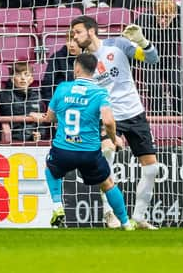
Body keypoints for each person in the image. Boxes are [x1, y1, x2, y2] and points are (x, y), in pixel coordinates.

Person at [71, 15, 160, 229]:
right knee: (107, 151)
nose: (74, 37)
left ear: (91, 31)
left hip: (135, 113)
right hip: (108, 115)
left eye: (77, 32)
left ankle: (139, 217)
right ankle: (109, 213)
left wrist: (143, 42)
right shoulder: (83, 63)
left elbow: (152, 59)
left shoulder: (118, 45)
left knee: (152, 169)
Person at [44, 52, 134, 230]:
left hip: (63, 149)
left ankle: (57, 206)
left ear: (76, 68)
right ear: (94, 70)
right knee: (107, 183)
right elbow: (108, 121)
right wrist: (114, 137)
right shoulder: (100, 92)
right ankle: (125, 223)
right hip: (89, 152)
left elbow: (50, 117)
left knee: (51, 169)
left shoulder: (62, 88)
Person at [134, 0, 181, 115]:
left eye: (167, 18)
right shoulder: (144, 19)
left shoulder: (181, 19)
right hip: (149, 60)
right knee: (156, 89)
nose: (163, 21)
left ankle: (179, 118)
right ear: (155, 13)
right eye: (160, 17)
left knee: (178, 87)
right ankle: (158, 119)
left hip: (170, 59)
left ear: (174, 15)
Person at [0, 61, 46, 143]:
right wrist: (31, 115)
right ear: (12, 79)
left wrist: (40, 134)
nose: (23, 78)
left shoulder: (37, 96)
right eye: (18, 74)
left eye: (26, 75)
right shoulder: (5, 95)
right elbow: (8, 114)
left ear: (31, 79)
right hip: (13, 139)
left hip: (33, 141)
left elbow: (42, 124)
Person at [41, 30, 80, 106]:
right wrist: (51, 106)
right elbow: (47, 84)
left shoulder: (91, 57)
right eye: (69, 40)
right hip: (62, 104)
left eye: (76, 41)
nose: (71, 44)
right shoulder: (57, 57)